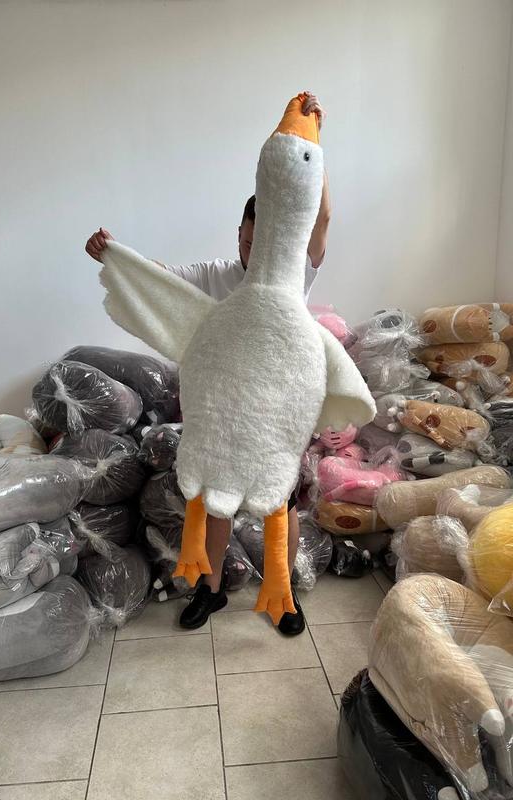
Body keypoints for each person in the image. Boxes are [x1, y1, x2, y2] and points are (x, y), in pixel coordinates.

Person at [86, 92, 331, 636]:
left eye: (258, 242)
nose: (249, 250)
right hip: (225, 410)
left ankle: (284, 594)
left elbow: (322, 219)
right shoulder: (217, 274)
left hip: (278, 413)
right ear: (239, 234)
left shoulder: (294, 275)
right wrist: (114, 255)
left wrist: (317, 141)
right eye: (244, 240)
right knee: (218, 503)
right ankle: (210, 590)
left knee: (281, 504)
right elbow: (161, 280)